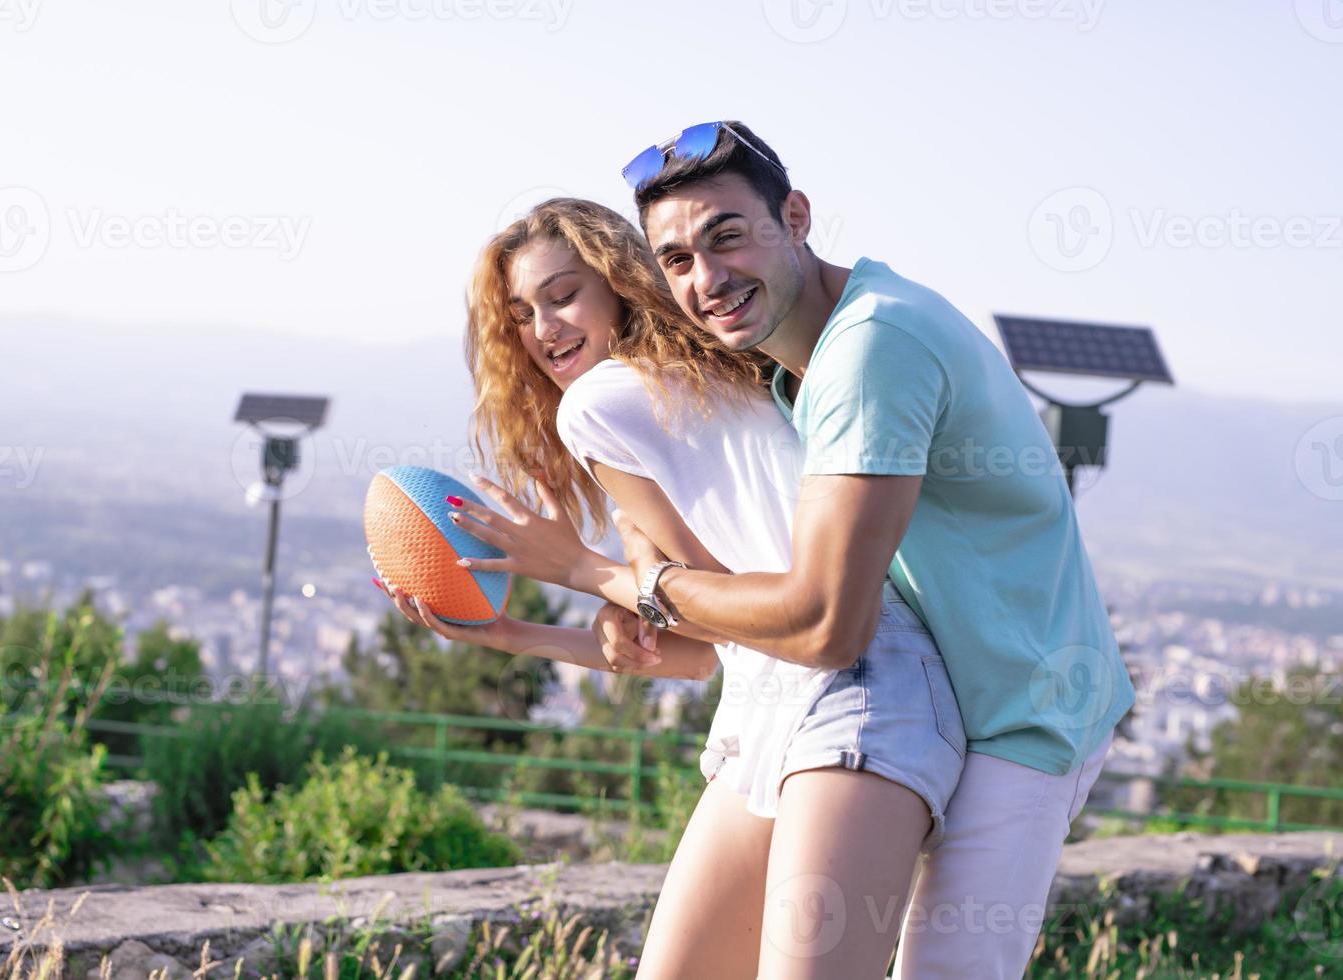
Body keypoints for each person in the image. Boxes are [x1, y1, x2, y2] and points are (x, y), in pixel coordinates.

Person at [577, 120, 1135, 978]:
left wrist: (632, 583)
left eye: (728, 237)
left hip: (1021, 710)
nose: (708, 278)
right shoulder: (792, 358)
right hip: (929, 690)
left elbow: (827, 623)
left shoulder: (873, 348)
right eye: (677, 260)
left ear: (795, 217)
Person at [372, 197, 964, 979]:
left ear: (620, 286)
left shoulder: (602, 404)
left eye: (562, 296)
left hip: (857, 692)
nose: (542, 328)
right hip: (779, 703)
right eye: (521, 313)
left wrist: (585, 569)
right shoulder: (675, 389)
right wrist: (514, 636)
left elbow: (713, 607)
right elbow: (692, 654)